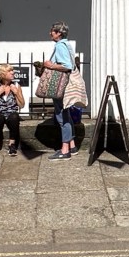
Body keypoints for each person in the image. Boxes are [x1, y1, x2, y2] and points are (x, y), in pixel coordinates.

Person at [44, 21, 76, 161]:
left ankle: (65, 150)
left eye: (52, 31)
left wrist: (50, 65)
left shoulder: (60, 46)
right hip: (66, 85)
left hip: (60, 86)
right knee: (66, 114)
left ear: (58, 33)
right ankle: (72, 146)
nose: (50, 33)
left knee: (62, 116)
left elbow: (67, 66)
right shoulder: (67, 45)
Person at [0, 64, 24, 156]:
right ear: (3, 74)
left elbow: (22, 105)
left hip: (11, 113)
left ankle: (12, 145)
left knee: (14, 117)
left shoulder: (16, 86)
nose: (12, 72)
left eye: (12, 70)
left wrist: (16, 93)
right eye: (9, 71)